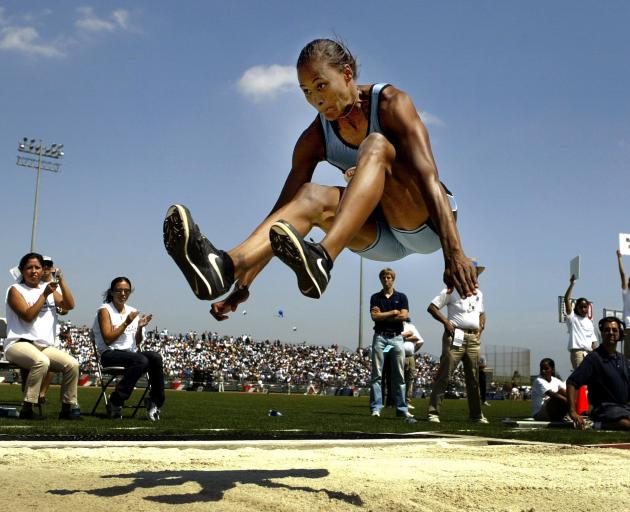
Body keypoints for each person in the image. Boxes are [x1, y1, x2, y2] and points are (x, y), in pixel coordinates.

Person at [163, 38, 478, 321]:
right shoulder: (315, 138)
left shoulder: (391, 104)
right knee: (309, 196)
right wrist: (243, 285)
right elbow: (282, 215)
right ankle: (224, 267)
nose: (316, 99)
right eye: (306, 92)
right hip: (377, 237)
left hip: (427, 224)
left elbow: (428, 178)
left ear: (346, 74)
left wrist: (454, 252)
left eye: (320, 85)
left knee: (376, 144)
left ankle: (324, 257)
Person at [3, 253, 81, 420]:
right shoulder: (15, 290)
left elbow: (70, 305)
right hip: (18, 343)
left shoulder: (49, 289)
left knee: (73, 364)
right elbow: (28, 316)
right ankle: (27, 408)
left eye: (37, 267)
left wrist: (61, 281)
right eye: (29, 267)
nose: (34, 271)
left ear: (43, 270)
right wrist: (44, 295)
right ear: (22, 271)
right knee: (41, 361)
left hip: (43, 346)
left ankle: (67, 410)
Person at [92, 277, 164, 421]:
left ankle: (155, 401)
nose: (123, 294)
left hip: (131, 355)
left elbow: (137, 342)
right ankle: (116, 400)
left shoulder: (132, 311)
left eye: (127, 291)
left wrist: (139, 328)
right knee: (141, 360)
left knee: (155, 357)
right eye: (119, 290)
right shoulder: (105, 310)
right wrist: (126, 323)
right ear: (112, 292)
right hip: (110, 353)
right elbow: (107, 338)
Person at [427, 260, 487, 424]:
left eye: (474, 273)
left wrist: (481, 328)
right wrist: (446, 322)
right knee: (445, 374)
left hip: (472, 338)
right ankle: (433, 412)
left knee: (474, 377)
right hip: (455, 335)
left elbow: (482, 313)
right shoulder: (451, 290)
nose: (473, 276)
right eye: (471, 272)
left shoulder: (479, 294)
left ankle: (476, 415)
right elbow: (432, 307)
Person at [566, 317, 630, 430]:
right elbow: (572, 382)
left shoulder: (623, 360)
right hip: (605, 408)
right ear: (602, 333)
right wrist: (572, 411)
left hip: (624, 407)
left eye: (614, 330)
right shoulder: (594, 358)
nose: (611, 333)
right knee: (626, 424)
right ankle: (595, 425)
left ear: (620, 334)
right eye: (607, 330)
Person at [368, 268, 415, 421]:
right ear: (380, 279)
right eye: (383, 277)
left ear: (393, 279)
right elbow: (374, 317)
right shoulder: (375, 297)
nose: (386, 280)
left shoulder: (401, 297)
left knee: (399, 375)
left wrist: (384, 316)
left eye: (388, 277)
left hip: (396, 339)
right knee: (377, 374)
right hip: (381, 338)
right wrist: (393, 312)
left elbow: (403, 316)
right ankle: (376, 408)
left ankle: (401, 408)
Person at [564, 275, 598, 369]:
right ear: (576, 307)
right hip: (578, 353)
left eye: (585, 307)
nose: (583, 309)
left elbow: (593, 343)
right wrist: (572, 284)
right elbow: (566, 299)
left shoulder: (589, 322)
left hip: (590, 353)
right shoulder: (572, 318)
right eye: (581, 307)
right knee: (582, 377)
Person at [402, 319, 423, 409]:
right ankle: (397, 401)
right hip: (398, 356)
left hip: (410, 356)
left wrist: (403, 338)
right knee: (398, 379)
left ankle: (407, 401)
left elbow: (419, 340)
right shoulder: (392, 327)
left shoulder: (410, 326)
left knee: (409, 380)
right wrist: (408, 336)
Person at [616, 249, 630, 360]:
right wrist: (619, 258)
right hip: (629, 328)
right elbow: (623, 274)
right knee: (628, 359)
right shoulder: (626, 293)